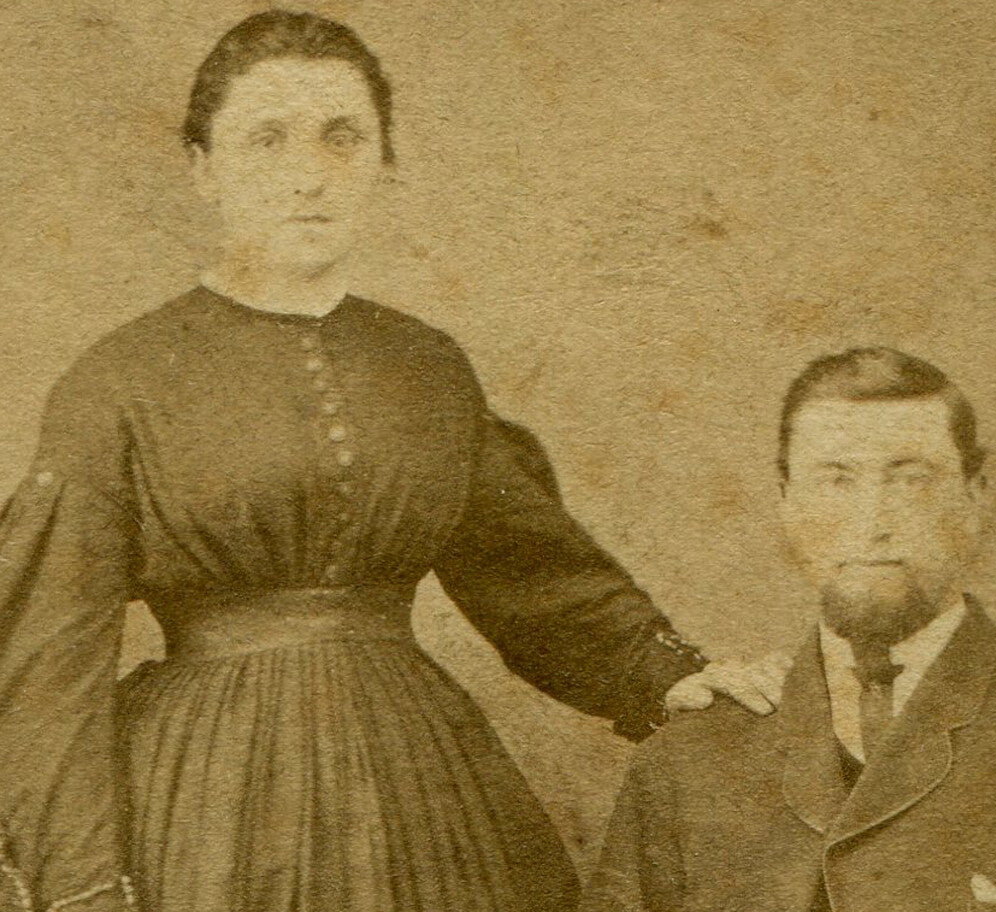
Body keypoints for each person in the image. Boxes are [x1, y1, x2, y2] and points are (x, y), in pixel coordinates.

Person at [0, 10, 786, 912]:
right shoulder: (118, 381)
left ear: (385, 164)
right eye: (267, 139)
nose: (309, 175)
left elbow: (527, 565)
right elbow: (47, 671)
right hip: (207, 801)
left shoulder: (427, 367)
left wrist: (662, 672)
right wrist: (82, 888)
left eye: (343, 137)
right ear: (204, 170)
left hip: (416, 779)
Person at [582, 346, 996, 912]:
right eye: (836, 480)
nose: (872, 522)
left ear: (976, 495)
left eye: (911, 480)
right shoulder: (687, 759)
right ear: (786, 502)